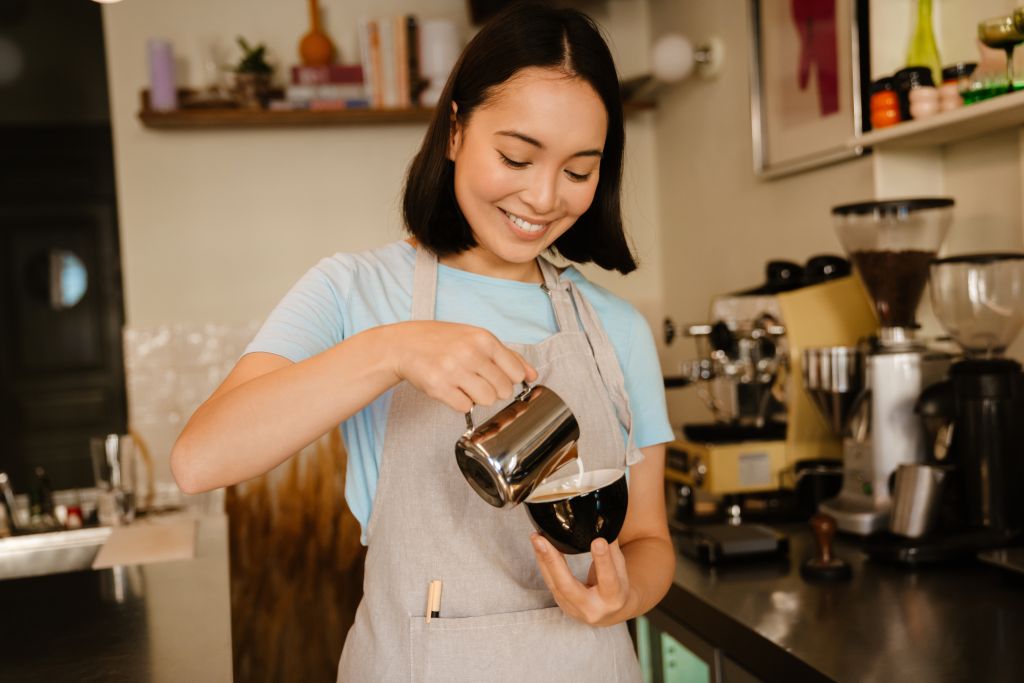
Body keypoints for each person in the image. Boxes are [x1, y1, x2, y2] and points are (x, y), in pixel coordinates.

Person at [171, 2, 675, 680]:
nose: (543, 196)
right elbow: (200, 460)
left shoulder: (615, 328)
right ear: (456, 131)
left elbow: (648, 539)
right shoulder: (353, 291)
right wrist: (390, 350)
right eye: (516, 157)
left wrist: (624, 596)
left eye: (579, 171)